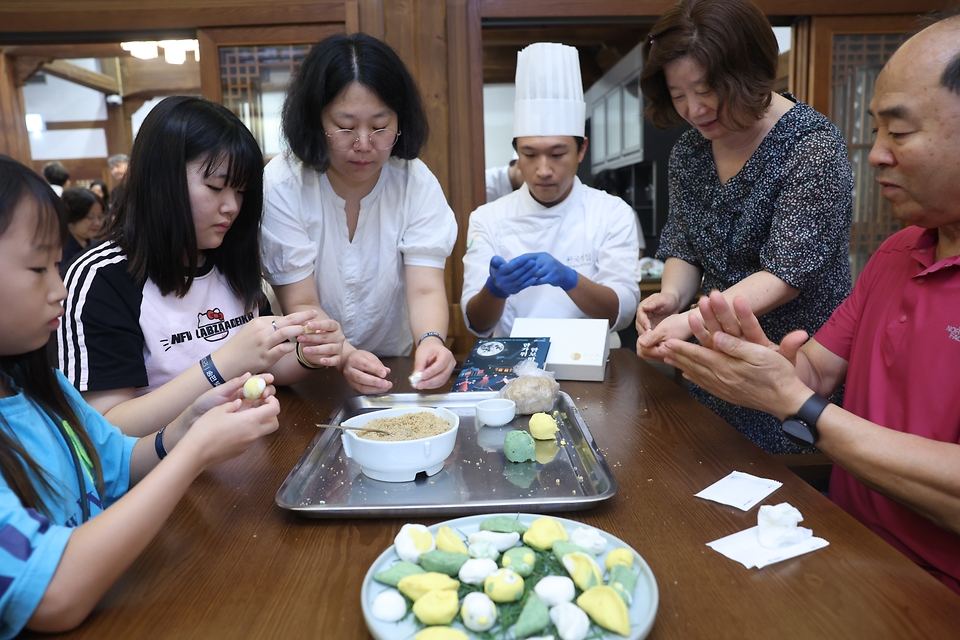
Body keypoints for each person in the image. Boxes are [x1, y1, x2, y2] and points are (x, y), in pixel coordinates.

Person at [660, 14, 960, 594]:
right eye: (876, 132)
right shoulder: (899, 253)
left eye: (898, 134)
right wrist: (738, 358)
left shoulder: (809, 144)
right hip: (840, 534)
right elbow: (814, 369)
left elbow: (803, 389)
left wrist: (796, 403)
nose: (874, 156)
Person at [0, 155, 281, 636]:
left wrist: (187, 424)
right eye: (36, 268)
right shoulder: (112, 277)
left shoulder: (40, 386)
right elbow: (54, 596)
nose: (60, 288)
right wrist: (191, 454)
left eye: (56, 265)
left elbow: (118, 461)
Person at [635, 0, 853, 454]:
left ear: (749, 73)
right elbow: (685, 245)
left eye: (707, 88)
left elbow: (786, 274)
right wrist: (671, 298)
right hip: (714, 366)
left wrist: (690, 322)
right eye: (678, 95)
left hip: (795, 365)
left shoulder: (811, 146)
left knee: (788, 503)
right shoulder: (690, 151)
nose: (694, 109)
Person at [58, 96, 340, 437]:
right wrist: (221, 365)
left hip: (243, 451)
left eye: (240, 191)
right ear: (161, 179)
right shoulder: (102, 277)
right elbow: (107, 426)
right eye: (216, 187)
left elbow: (268, 365)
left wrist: (308, 353)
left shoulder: (228, 258)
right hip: (159, 474)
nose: (232, 207)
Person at [261, 33, 458, 394]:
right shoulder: (284, 181)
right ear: (315, 119)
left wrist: (431, 340)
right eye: (346, 126)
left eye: (380, 126)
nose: (364, 143)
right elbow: (302, 302)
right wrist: (346, 354)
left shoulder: (415, 182)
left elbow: (425, 288)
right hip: (303, 369)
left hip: (392, 368)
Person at [461, 42, 642, 343]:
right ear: (516, 152)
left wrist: (569, 279)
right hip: (513, 367)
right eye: (530, 154)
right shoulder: (488, 218)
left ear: (581, 149)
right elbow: (477, 322)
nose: (543, 170)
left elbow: (621, 313)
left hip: (595, 365)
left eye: (557, 154)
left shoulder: (612, 212)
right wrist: (495, 290)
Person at [59, 187, 105, 271]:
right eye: (90, 217)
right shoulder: (59, 249)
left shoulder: (97, 245)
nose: (98, 223)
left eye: (100, 216)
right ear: (71, 218)